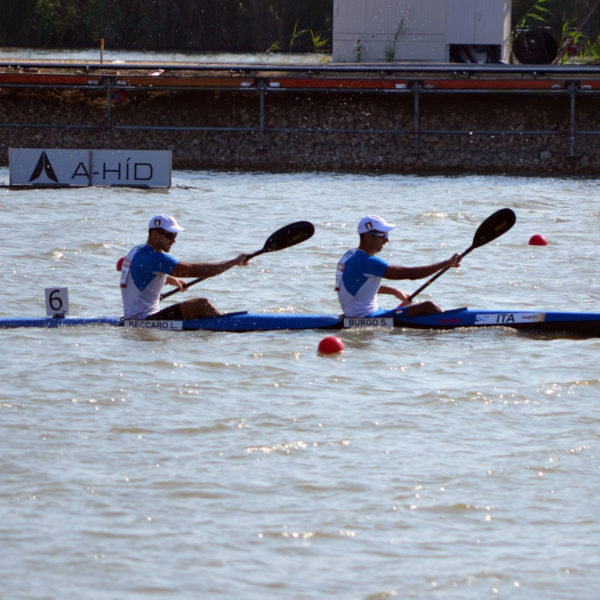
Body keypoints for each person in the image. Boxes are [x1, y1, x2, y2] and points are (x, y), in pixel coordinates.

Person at [120, 214, 249, 320]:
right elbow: (193, 270)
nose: (174, 240)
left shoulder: (137, 251)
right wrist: (233, 262)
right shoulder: (154, 258)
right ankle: (227, 329)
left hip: (132, 316)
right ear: (154, 234)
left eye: (175, 236)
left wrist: (169, 279)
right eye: (170, 236)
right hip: (143, 319)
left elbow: (135, 271)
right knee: (201, 305)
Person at [335, 215, 461, 318]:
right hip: (368, 317)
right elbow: (411, 274)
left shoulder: (350, 255)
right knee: (429, 307)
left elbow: (357, 286)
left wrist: (394, 291)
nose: (386, 240)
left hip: (355, 314)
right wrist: (445, 263)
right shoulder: (368, 262)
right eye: (383, 236)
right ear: (368, 237)